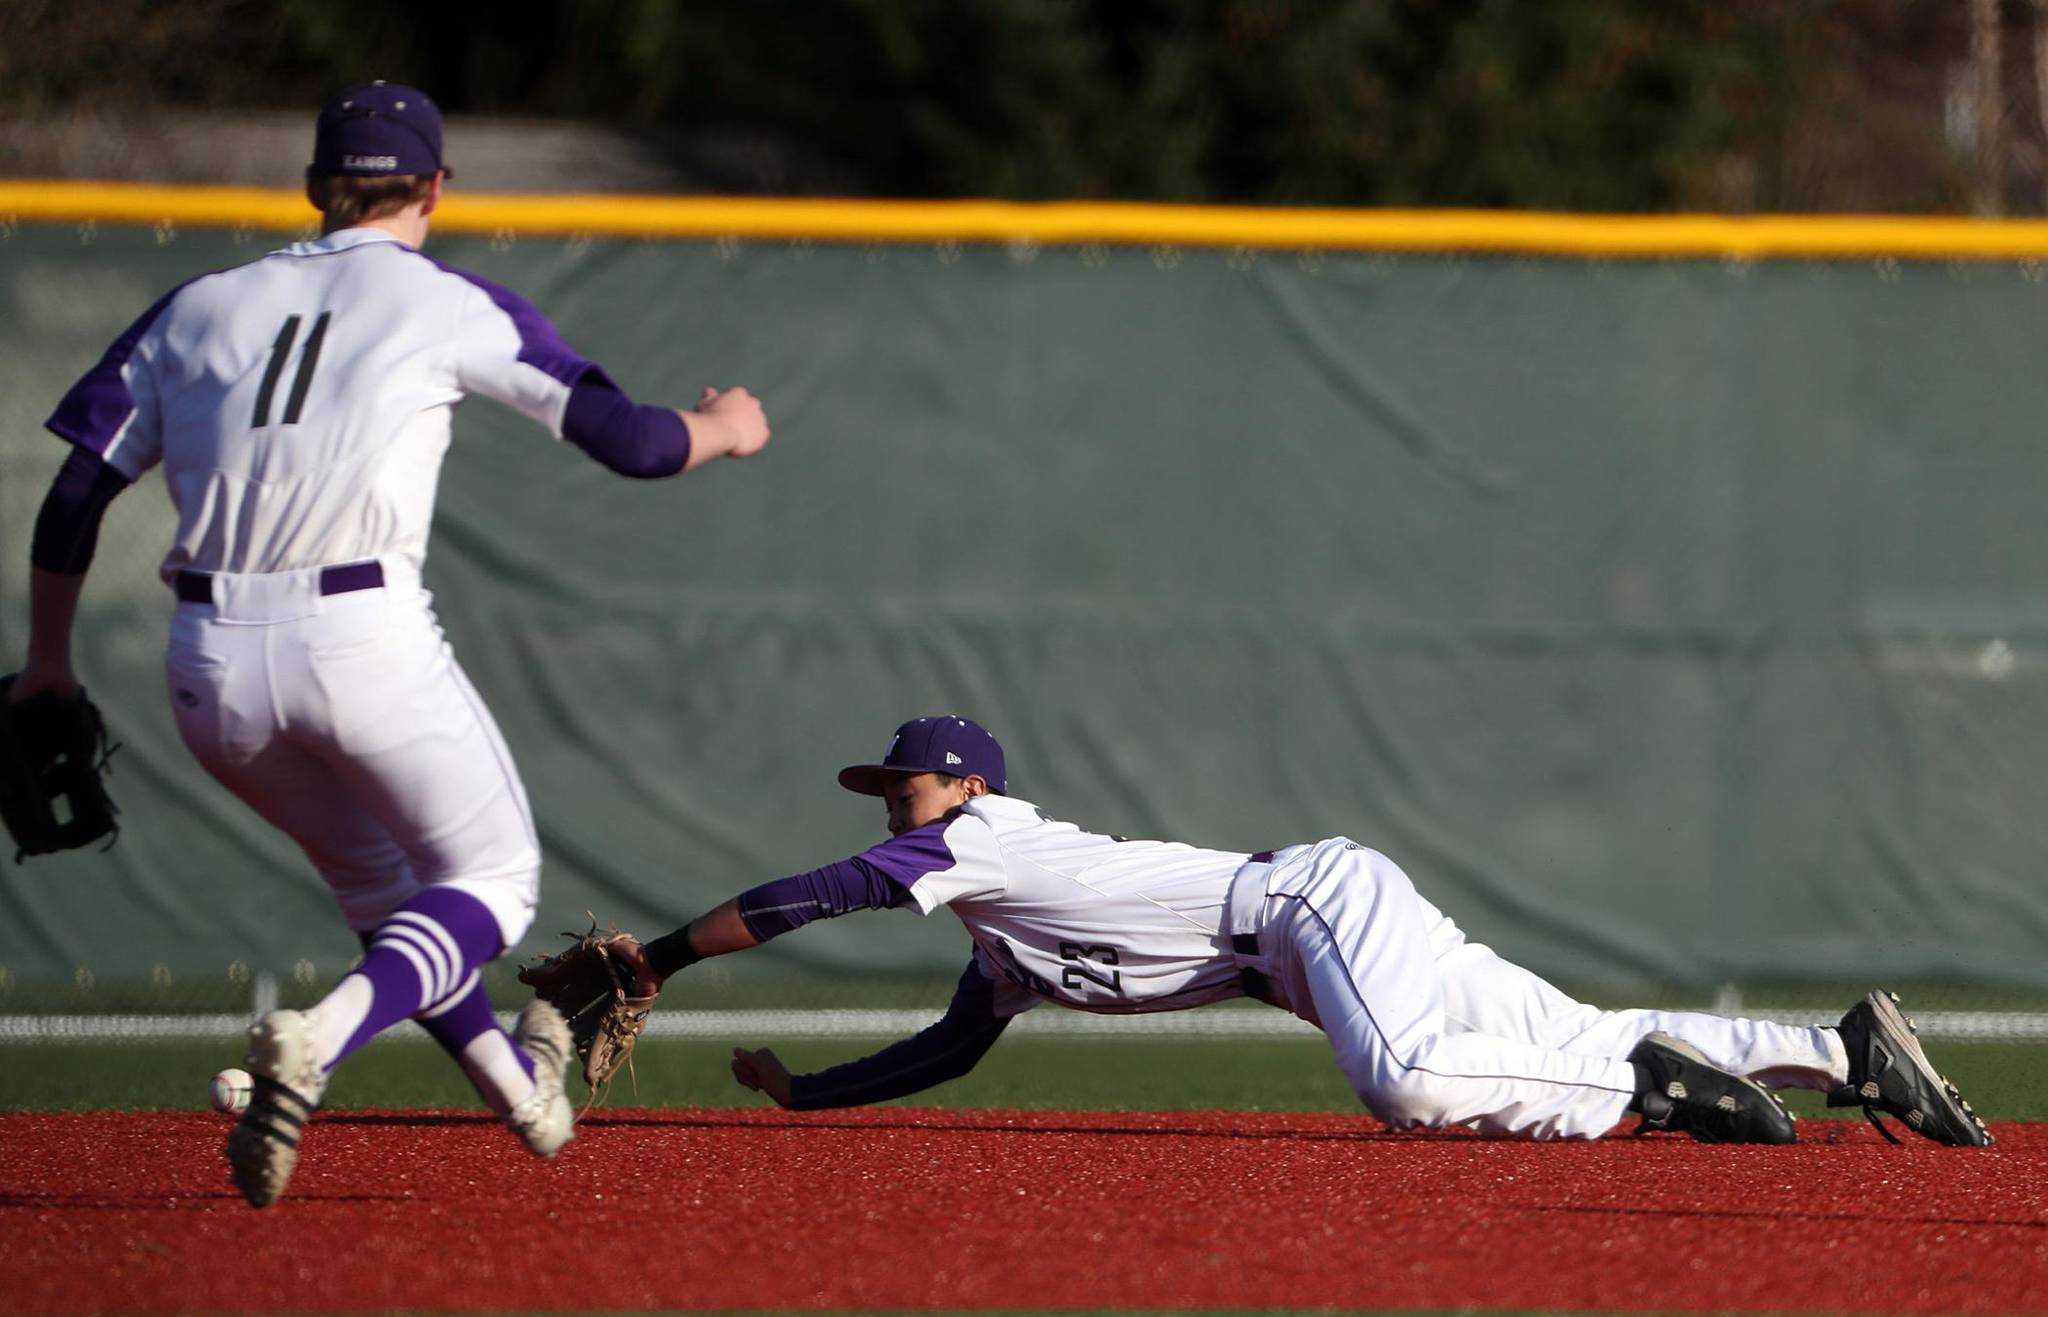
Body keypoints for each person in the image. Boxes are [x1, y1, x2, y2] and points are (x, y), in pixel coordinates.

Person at [12, 81, 773, 1207]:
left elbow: (77, 492)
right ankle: (318, 1037)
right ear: (434, 186)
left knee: (389, 901)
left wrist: (48, 664)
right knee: (495, 881)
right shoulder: (447, 301)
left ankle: (521, 1095)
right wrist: (722, 428)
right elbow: (631, 445)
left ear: (317, 186)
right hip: (356, 635)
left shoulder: (198, 307)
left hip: (208, 663)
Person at [620, 715, 1992, 1147]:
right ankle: (1840, 1047)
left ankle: (1656, 1100)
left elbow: (824, 893)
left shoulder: (980, 841)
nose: (893, 802)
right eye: (887, 791)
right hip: (1333, 914)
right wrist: (806, 1094)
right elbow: (949, 1052)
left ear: (967, 784)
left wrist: (662, 960)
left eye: (904, 783)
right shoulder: (1000, 935)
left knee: (1404, 1082)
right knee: (1563, 1034)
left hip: (1307, 907)